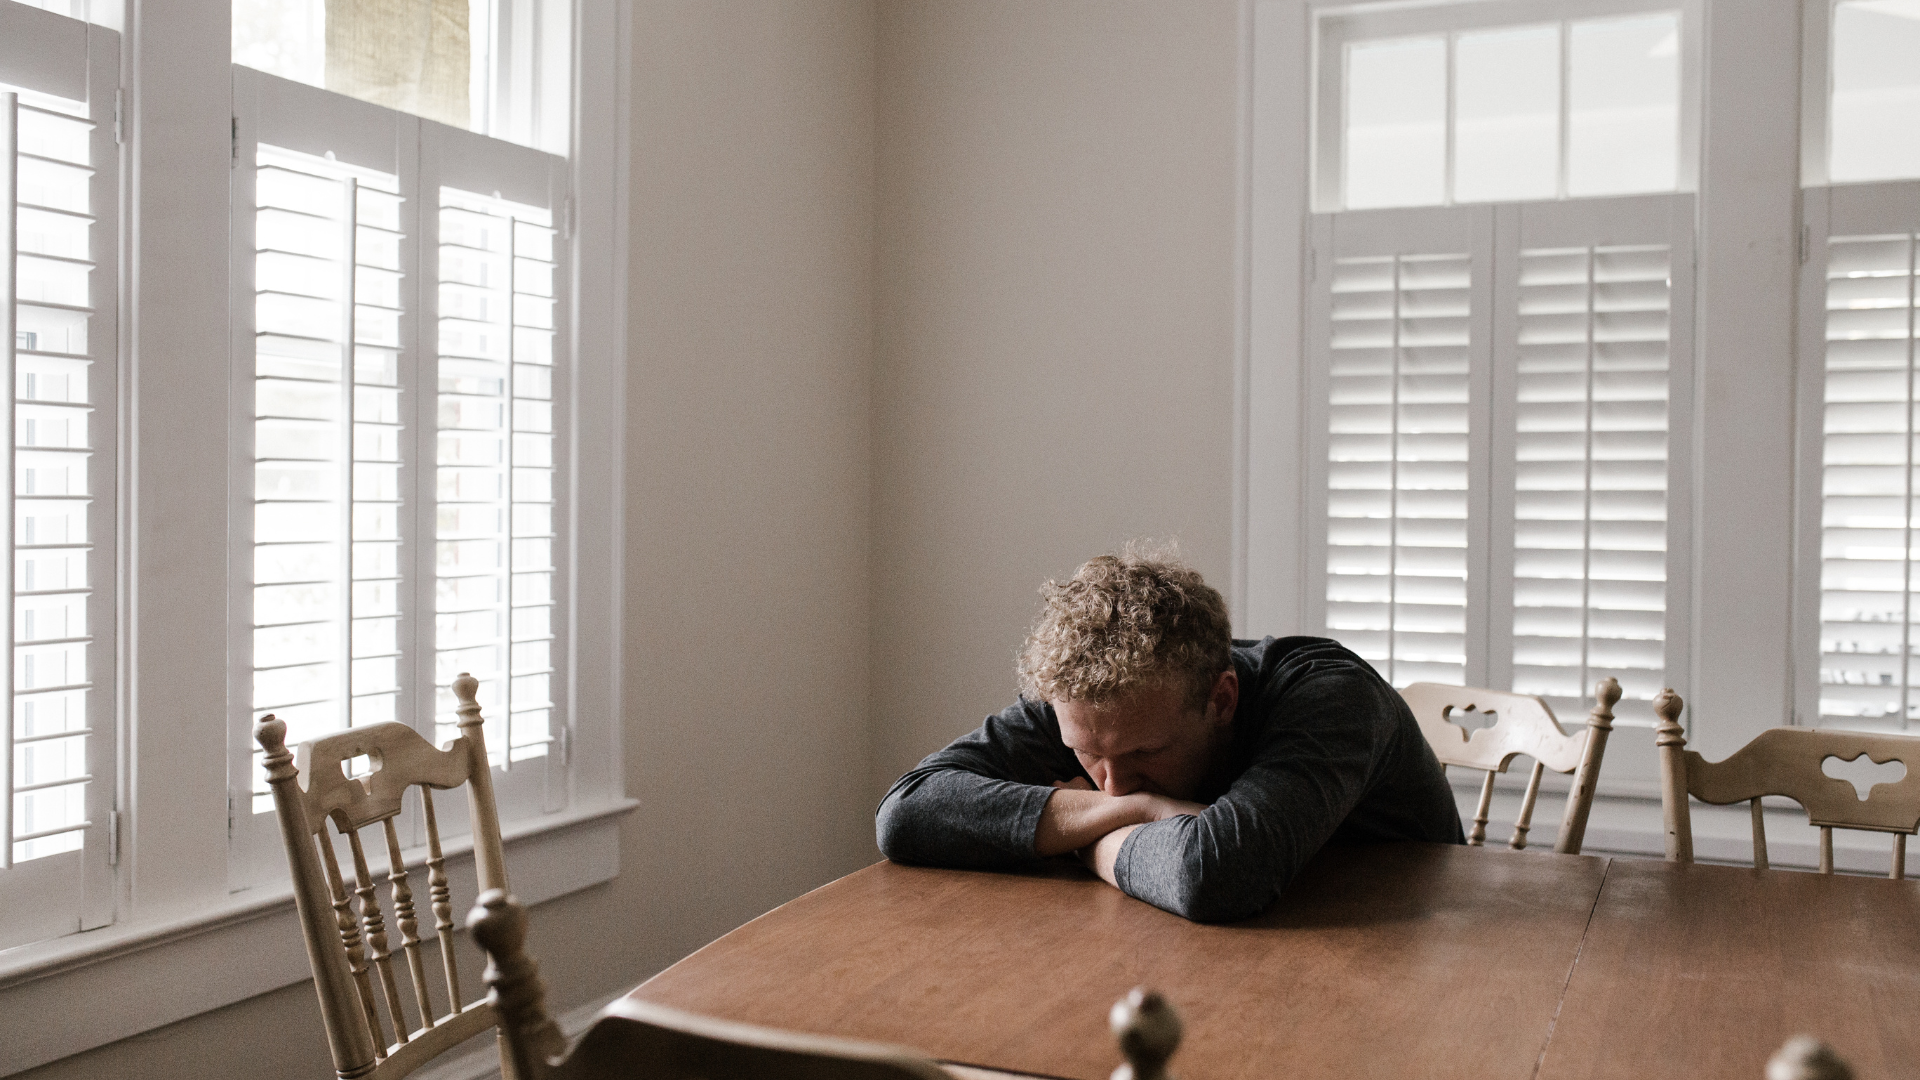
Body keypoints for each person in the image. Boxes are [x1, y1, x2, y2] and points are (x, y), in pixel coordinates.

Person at [874, 548, 1464, 923]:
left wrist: (1084, 839)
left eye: (1144, 756)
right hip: (1217, 944)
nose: (1112, 784)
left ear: (1222, 699)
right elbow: (906, 813)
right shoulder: (1093, 703)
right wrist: (1144, 810)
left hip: (1423, 950)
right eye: (1086, 754)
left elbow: (1216, 874)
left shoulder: (1330, 695)